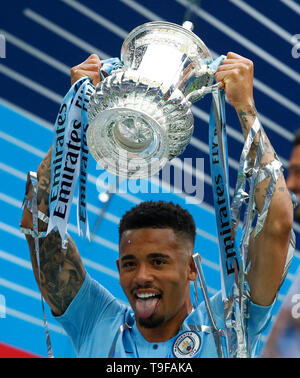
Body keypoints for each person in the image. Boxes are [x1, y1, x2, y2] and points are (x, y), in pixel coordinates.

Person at [20, 52, 293, 358]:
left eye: (158, 261)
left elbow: (278, 223)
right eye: (130, 263)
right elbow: (39, 223)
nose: (142, 276)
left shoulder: (229, 324)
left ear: (191, 267)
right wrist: (78, 113)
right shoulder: (97, 322)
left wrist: (245, 108)